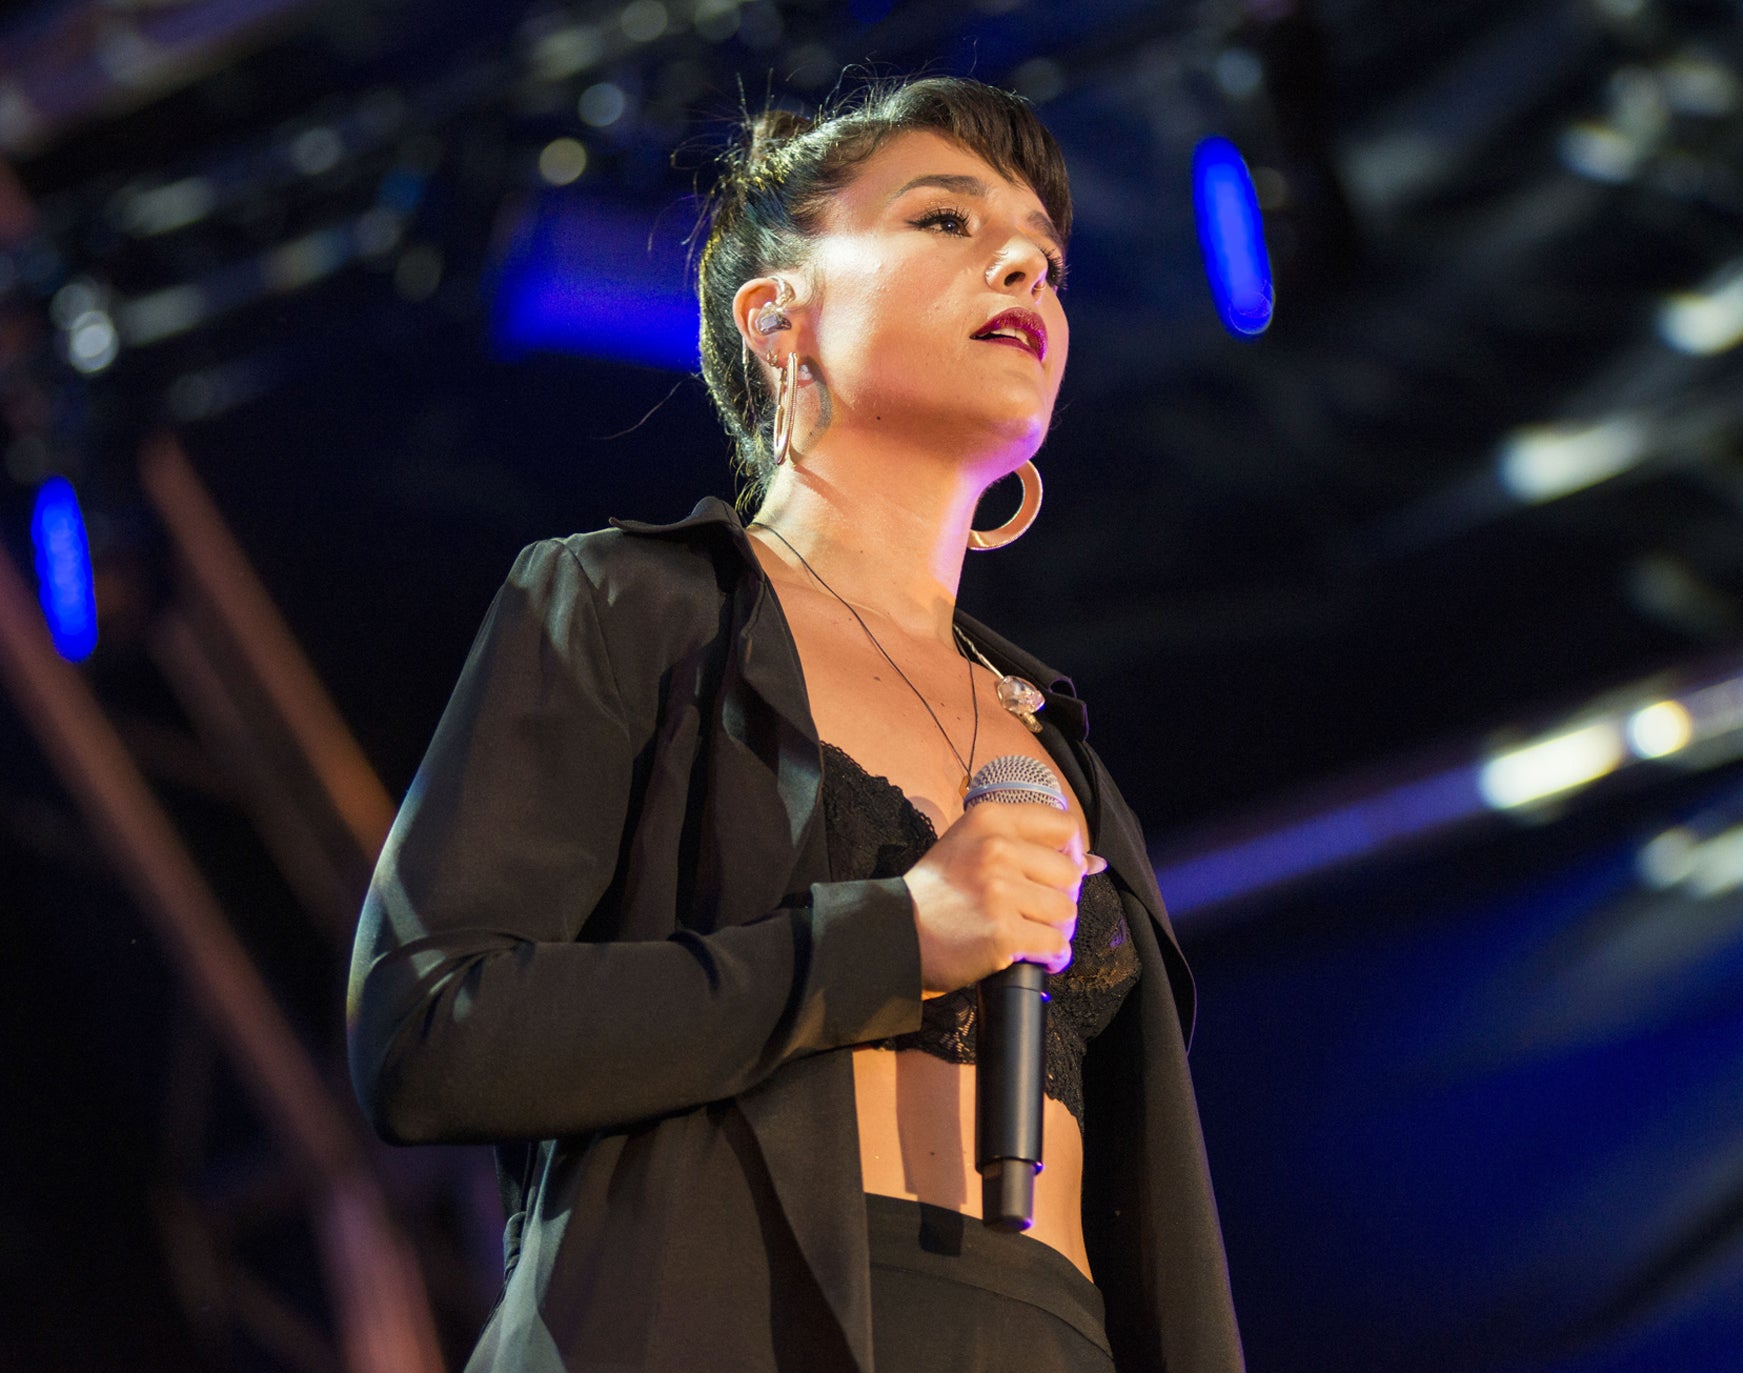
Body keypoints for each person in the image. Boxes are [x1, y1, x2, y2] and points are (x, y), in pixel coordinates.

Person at [346, 76, 1243, 1373]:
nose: (1023, 266)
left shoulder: (1060, 750)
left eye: (1046, 259)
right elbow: (429, 1027)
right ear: (781, 316)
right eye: (946, 220)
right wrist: (894, 937)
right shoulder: (623, 606)